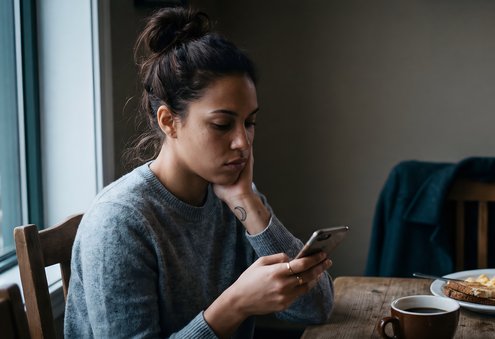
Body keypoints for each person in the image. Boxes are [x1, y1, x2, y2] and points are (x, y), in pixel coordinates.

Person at [64, 7, 333, 338]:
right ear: (168, 121)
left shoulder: (232, 195)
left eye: (249, 123)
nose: (242, 142)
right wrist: (235, 305)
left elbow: (317, 307)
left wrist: (249, 203)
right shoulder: (119, 222)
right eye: (222, 124)